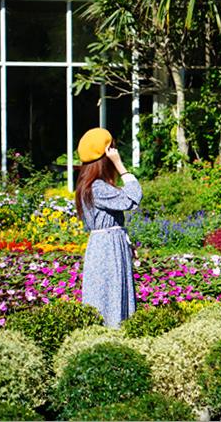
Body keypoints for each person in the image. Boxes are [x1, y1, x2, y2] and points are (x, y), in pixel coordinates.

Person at [74, 128, 142, 328]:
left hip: (107, 244)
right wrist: (120, 165)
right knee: (111, 293)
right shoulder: (98, 188)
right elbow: (134, 197)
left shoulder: (90, 186)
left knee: (109, 292)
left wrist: (126, 242)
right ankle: (114, 336)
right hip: (108, 248)